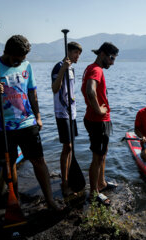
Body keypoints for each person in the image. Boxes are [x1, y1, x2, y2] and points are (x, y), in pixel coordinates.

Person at [0, 35, 59, 210]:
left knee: (39, 160)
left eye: (23, 58)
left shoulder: (26, 65)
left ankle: (50, 200)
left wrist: (38, 116)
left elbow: (32, 93)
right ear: (7, 52)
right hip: (2, 127)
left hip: (27, 123)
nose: (20, 62)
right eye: (17, 59)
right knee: (9, 163)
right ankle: (14, 202)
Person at [81, 42, 119, 206]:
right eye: (111, 58)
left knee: (102, 153)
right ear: (102, 54)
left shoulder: (92, 68)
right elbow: (90, 91)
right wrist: (98, 110)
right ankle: (93, 193)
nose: (112, 62)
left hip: (99, 120)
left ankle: (101, 183)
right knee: (97, 157)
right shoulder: (96, 69)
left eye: (114, 59)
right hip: (98, 120)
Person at [51, 42, 82, 198]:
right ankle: (64, 183)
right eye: (76, 53)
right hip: (62, 113)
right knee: (68, 147)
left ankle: (68, 178)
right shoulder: (58, 67)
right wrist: (63, 68)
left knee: (70, 147)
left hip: (72, 112)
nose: (78, 56)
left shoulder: (72, 69)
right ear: (68, 52)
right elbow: (55, 89)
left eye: (79, 54)